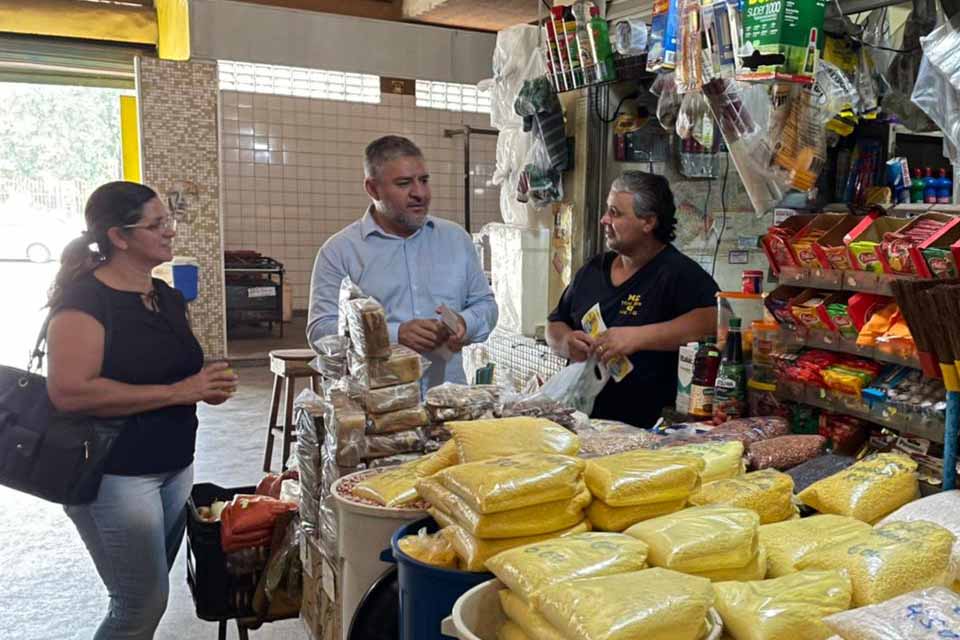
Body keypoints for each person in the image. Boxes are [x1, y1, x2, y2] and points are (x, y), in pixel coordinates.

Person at [45, 181, 238, 639]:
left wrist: (203, 386)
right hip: (114, 473)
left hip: (173, 466)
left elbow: (168, 370)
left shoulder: (166, 296)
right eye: (156, 225)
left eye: (168, 221)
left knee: (145, 595)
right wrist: (179, 391)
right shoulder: (84, 301)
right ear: (119, 236)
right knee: (139, 603)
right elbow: (70, 392)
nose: (170, 232)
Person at [307, 135, 498, 389]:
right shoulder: (340, 251)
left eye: (424, 180)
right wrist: (393, 335)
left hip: (448, 401)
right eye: (404, 183)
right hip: (377, 407)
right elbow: (321, 331)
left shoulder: (456, 240)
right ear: (373, 189)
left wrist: (466, 323)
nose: (419, 193)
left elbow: (485, 305)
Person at [546, 171, 719, 428]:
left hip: (647, 430)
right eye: (607, 210)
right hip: (581, 424)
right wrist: (565, 342)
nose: (604, 219)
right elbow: (555, 323)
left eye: (615, 213)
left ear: (648, 222)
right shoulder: (593, 269)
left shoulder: (678, 274)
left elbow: (712, 322)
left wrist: (637, 337)